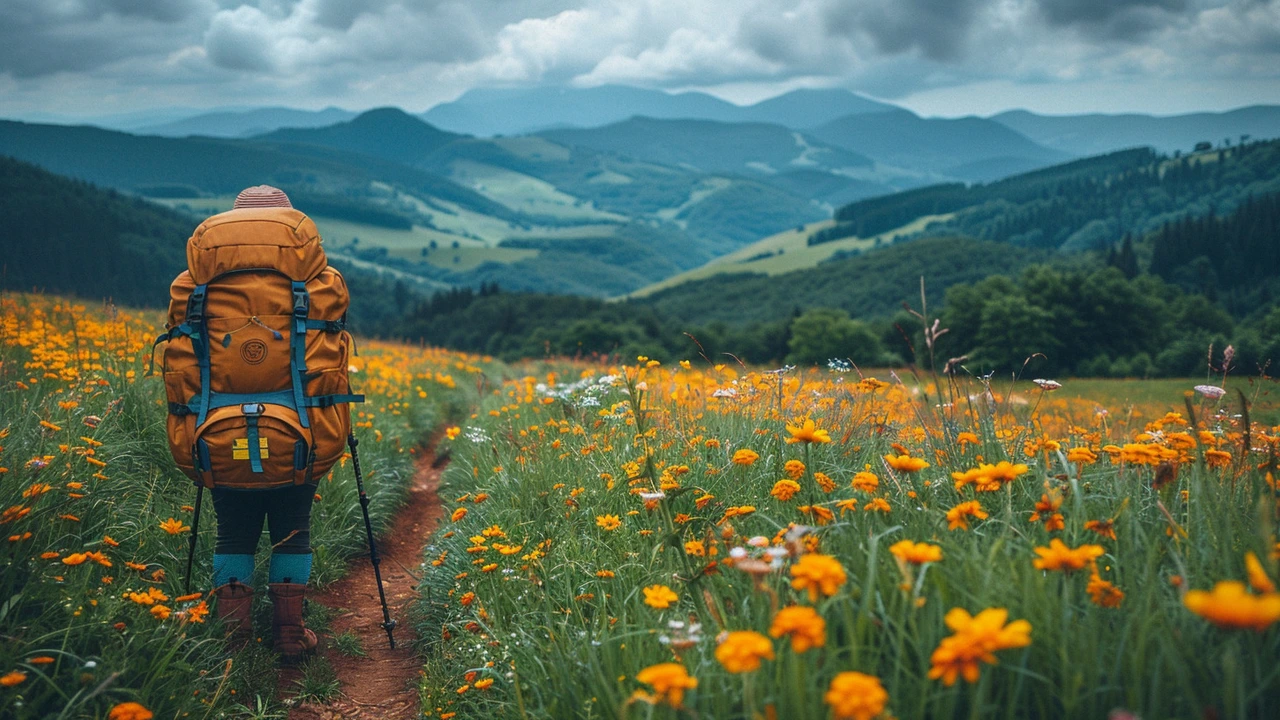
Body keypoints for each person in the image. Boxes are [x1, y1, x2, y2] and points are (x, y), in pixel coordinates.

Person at [210, 185, 318, 658]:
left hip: (216, 427)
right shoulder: (316, 282)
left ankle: (231, 640)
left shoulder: (198, 286)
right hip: (297, 429)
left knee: (232, 530)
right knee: (294, 525)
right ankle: (290, 635)